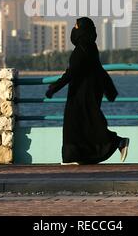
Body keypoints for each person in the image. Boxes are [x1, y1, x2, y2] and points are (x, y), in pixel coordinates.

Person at [45, 17, 130, 165]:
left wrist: (53, 88)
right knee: (84, 124)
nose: (74, 30)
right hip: (89, 92)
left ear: (83, 30)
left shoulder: (81, 49)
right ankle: (75, 156)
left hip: (81, 94)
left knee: (80, 124)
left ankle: (116, 142)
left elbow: (70, 73)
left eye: (76, 27)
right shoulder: (91, 47)